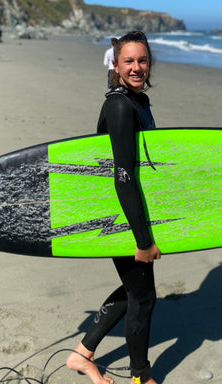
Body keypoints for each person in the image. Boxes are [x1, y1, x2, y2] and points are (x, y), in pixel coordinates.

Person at [67, 31, 160, 384]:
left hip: (129, 209)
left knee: (136, 290)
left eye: (142, 60)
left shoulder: (138, 100)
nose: (137, 67)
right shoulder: (120, 106)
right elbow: (123, 176)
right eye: (129, 61)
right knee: (144, 296)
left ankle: (82, 355)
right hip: (123, 213)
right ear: (117, 65)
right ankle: (140, 377)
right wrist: (143, 239)